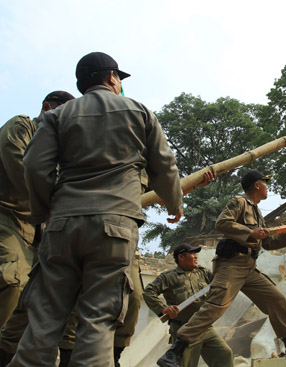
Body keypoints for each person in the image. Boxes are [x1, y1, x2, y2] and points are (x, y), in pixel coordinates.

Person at [7, 51, 184, 367]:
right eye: (119, 79)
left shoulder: (58, 116)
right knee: (98, 321)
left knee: (44, 319)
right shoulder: (140, 112)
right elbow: (165, 167)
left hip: (62, 226)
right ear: (112, 77)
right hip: (114, 230)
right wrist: (175, 203)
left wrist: (45, 211)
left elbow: (34, 166)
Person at [157, 170, 286, 367]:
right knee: (215, 307)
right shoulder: (239, 202)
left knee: (276, 300)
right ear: (257, 185)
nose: (267, 187)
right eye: (265, 183)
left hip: (249, 268)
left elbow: (267, 243)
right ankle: (175, 351)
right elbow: (222, 223)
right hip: (231, 265)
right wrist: (249, 231)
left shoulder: (257, 212)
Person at [0, 90, 74, 331]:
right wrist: (53, 204)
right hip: (5, 215)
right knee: (12, 281)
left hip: (32, 230)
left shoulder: (58, 152)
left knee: (31, 301)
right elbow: (20, 169)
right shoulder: (22, 126)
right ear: (46, 108)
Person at [143, 243, 233, 367]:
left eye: (196, 254)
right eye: (192, 253)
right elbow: (148, 292)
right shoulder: (169, 277)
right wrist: (163, 309)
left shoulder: (203, 273)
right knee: (187, 364)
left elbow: (219, 283)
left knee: (224, 355)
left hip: (204, 327)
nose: (196, 257)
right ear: (181, 257)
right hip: (183, 330)